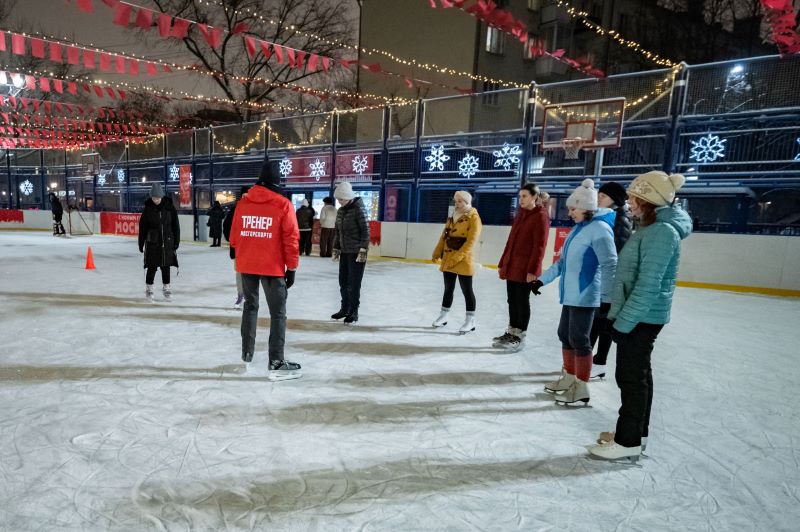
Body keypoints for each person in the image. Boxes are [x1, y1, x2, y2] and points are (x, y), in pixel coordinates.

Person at [587, 171, 691, 462]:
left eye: (634, 198)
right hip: (640, 315)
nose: (629, 202)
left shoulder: (661, 232)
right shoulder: (650, 227)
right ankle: (635, 434)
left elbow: (648, 285)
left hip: (643, 317)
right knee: (638, 375)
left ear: (649, 201)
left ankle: (628, 440)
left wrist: (624, 322)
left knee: (631, 378)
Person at [533, 178, 617, 405]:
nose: (569, 212)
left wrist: (607, 298)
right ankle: (569, 378)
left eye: (573, 208)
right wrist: (540, 281)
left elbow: (610, 264)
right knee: (565, 335)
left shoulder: (600, 229)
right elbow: (561, 263)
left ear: (587, 208)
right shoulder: (578, 229)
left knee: (580, 339)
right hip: (570, 294)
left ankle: (581, 387)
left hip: (586, 294)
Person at [229, 161, 302, 381]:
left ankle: (247, 354)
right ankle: (276, 361)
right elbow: (291, 239)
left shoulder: (244, 202)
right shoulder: (283, 204)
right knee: (278, 313)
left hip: (247, 263)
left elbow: (234, 233)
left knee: (250, 308)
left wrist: (236, 250)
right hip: (272, 267)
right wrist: (292, 267)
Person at [493, 183, 550, 350]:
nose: (521, 199)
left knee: (522, 301)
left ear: (534, 197)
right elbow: (511, 242)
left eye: (524, 196)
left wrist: (533, 270)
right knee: (512, 300)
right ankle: (511, 331)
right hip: (512, 265)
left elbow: (540, 245)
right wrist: (503, 262)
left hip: (526, 268)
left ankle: (520, 336)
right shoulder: (520, 215)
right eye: (520, 196)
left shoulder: (540, 216)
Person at [590, 181, 632, 378]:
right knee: (598, 321)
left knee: (602, 321)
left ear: (614, 200)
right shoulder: (607, 218)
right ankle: (591, 358)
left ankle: (598, 361)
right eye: (599, 195)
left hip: (609, 282)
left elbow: (615, 256)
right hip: (602, 280)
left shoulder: (619, 220)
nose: (599, 198)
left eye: (604, 196)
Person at [431, 191, 483, 334]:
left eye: (460, 201)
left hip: (463, 259)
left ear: (467, 202)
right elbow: (444, 235)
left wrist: (458, 257)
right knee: (448, 289)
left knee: (467, 290)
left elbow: (471, 242)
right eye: (456, 201)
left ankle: (470, 320)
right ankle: (443, 316)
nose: (457, 203)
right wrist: (437, 250)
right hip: (449, 257)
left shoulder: (474, 218)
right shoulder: (453, 215)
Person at [331, 182, 369, 324]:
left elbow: (366, 231)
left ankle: (354, 312)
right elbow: (338, 231)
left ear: (348, 196)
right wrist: (336, 248)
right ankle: (344, 309)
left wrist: (363, 250)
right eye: (338, 199)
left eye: (342, 199)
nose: (340, 202)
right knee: (343, 281)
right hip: (345, 252)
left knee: (354, 283)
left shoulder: (359, 209)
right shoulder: (341, 211)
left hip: (357, 252)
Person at [138, 183, 179, 302]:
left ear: (161, 196)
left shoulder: (169, 208)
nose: (155, 200)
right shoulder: (148, 209)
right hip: (153, 243)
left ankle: (167, 288)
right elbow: (143, 227)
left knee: (166, 267)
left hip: (167, 242)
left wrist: (176, 241)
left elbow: (175, 225)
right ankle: (149, 289)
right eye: (153, 198)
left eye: (157, 198)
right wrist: (141, 243)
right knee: (152, 267)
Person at [223, 186, 250, 309]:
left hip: (252, 249)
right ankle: (241, 295)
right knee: (239, 273)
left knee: (250, 273)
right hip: (238, 248)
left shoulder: (254, 209)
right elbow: (227, 225)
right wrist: (231, 240)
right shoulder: (235, 209)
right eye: (243, 195)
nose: (246, 198)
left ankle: (250, 296)